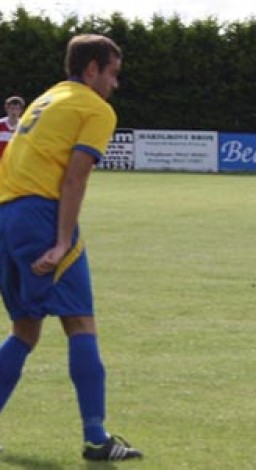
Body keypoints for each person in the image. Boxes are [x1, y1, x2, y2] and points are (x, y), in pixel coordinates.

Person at [0, 34, 142, 461]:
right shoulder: (94, 108)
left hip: (6, 216)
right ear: (92, 69)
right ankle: (96, 437)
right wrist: (62, 240)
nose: (115, 84)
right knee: (80, 323)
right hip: (40, 217)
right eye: (113, 73)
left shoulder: (48, 98)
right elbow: (74, 178)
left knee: (24, 330)